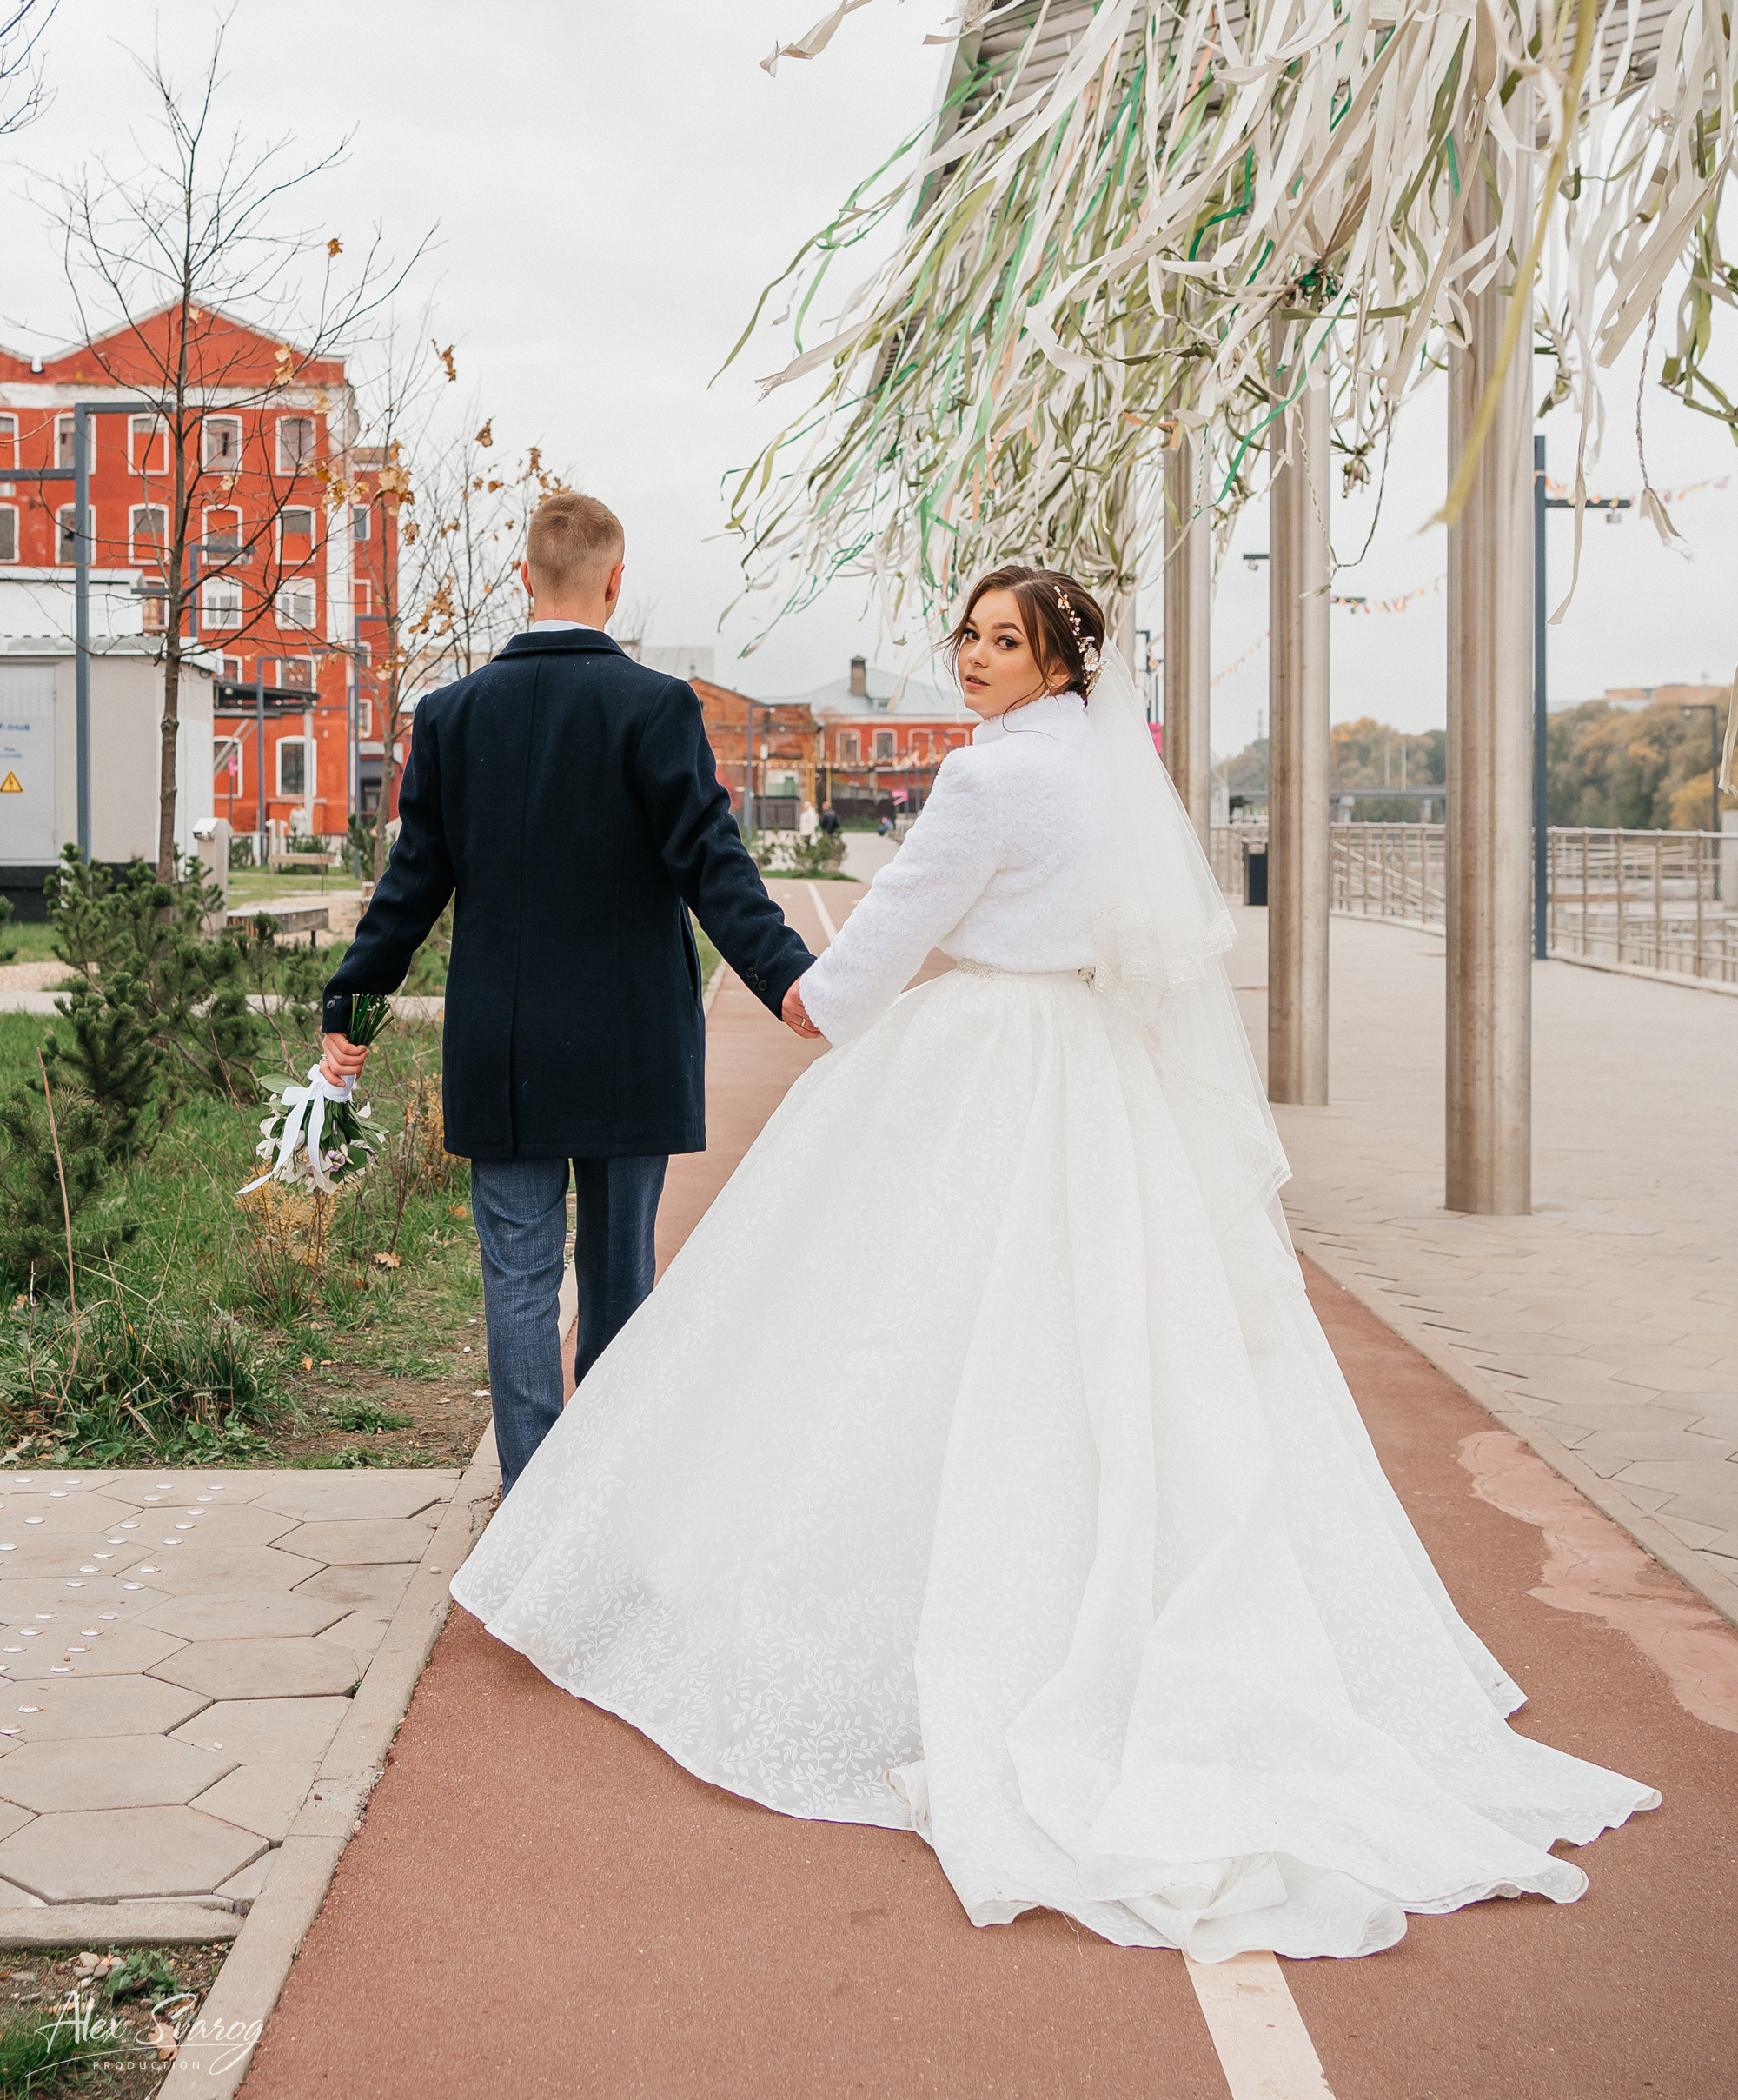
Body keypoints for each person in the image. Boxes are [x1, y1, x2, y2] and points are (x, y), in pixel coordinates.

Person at [448, 563, 1656, 1961]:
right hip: (1101, 1072)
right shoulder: (1115, 771)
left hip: (987, 1062)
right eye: (966, 633)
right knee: (1119, 1354)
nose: (971, 657)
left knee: (911, 1335)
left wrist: (804, 993)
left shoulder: (986, 785)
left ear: (1059, 658)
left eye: (1001, 641)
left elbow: (875, 958)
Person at [317, 489, 815, 1495]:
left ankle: (531, 1503)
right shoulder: (655, 706)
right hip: (631, 1042)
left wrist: (350, 1012)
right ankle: (603, 1502)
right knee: (620, 1271)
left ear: (522, 579)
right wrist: (788, 979)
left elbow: (411, 885)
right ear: (614, 582)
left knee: (517, 1276)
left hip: (505, 1053)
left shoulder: (450, 716)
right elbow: (710, 865)